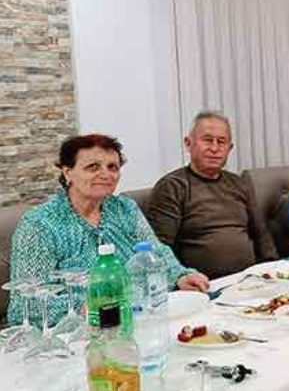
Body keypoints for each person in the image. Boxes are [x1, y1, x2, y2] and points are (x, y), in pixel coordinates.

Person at [7, 134, 209, 326]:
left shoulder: (125, 208)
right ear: (68, 172)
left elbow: (155, 252)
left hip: (139, 317)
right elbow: (24, 306)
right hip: (78, 332)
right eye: (93, 167)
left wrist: (180, 276)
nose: (106, 174)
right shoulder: (39, 224)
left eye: (113, 167)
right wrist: (89, 307)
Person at [146, 111, 278, 279]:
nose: (214, 148)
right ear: (188, 144)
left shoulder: (238, 183)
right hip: (202, 284)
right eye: (207, 140)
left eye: (221, 142)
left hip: (249, 279)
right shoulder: (172, 186)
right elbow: (160, 249)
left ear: (230, 148)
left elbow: (261, 235)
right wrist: (181, 279)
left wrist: (273, 269)